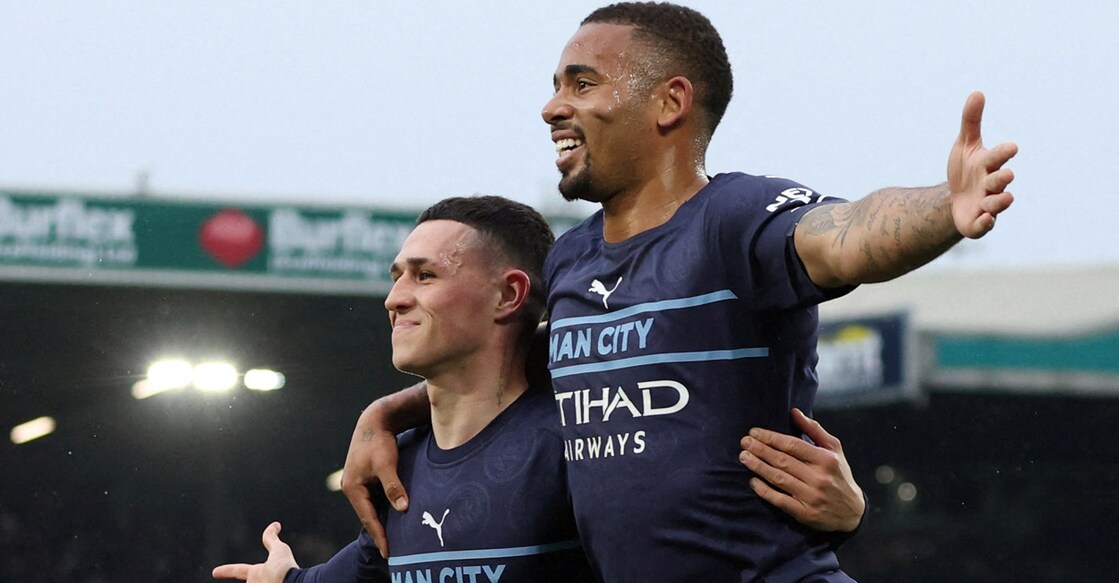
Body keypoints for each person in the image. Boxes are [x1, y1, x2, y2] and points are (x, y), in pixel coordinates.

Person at [347, 2, 1017, 581]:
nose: (552, 106)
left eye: (582, 83)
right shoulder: (573, 258)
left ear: (670, 102)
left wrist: (942, 206)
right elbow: (519, 370)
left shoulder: (733, 218)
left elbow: (841, 235)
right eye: (554, 85)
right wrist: (390, 412)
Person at [213, 196, 595, 582]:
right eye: (396, 277)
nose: (394, 299)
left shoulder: (578, 448)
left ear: (509, 295)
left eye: (425, 275)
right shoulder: (400, 464)